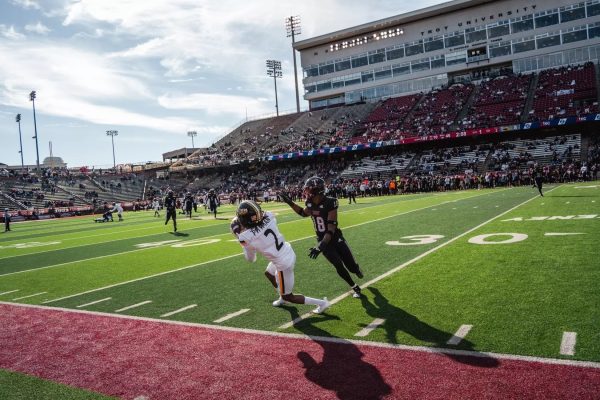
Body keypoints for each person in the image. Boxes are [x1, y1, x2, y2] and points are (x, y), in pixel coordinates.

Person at [231, 200, 329, 313]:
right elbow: (259, 219)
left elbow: (251, 259)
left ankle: (322, 303)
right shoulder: (269, 216)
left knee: (289, 296)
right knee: (269, 273)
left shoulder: (246, 237)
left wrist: (241, 239)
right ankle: (282, 296)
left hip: (282, 262)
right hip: (286, 250)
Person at [280, 176, 364, 298]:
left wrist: (320, 246)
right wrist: (290, 202)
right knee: (337, 264)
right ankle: (354, 287)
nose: (306, 192)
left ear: (316, 190)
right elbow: (304, 213)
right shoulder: (309, 202)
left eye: (308, 189)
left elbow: (331, 229)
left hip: (335, 238)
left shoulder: (331, 202)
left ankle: (356, 269)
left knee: (351, 266)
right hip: (322, 240)